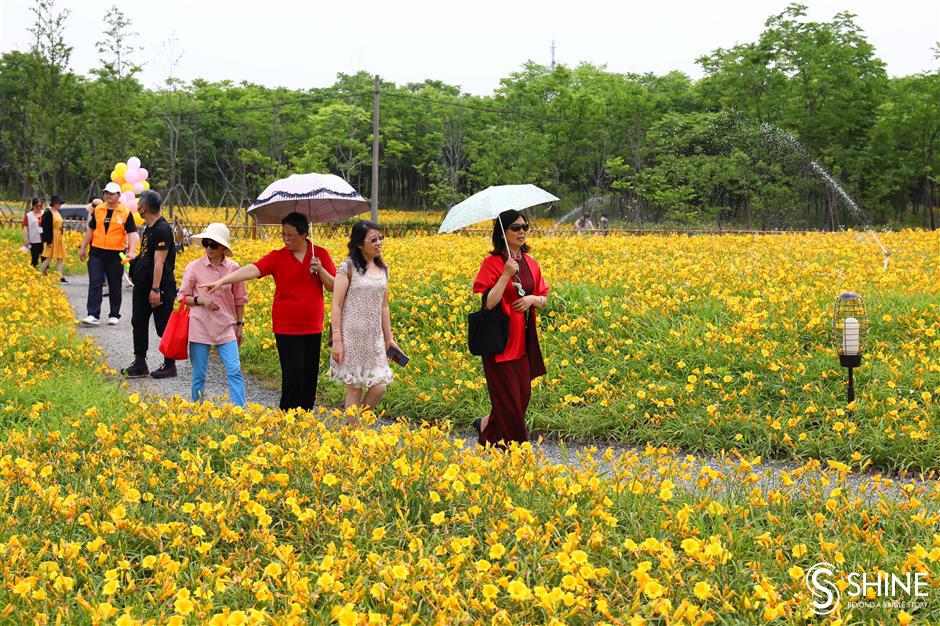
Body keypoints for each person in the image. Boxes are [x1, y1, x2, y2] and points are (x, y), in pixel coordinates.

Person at [205, 212, 335, 411]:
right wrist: (223, 280)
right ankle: (286, 418)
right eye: (283, 234)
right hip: (287, 327)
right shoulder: (278, 256)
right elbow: (252, 269)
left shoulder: (320, 254)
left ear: (304, 234)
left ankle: (306, 419)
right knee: (292, 377)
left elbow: (333, 286)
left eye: (290, 235)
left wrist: (320, 269)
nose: (285, 239)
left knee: (310, 377)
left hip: (312, 325)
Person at [472, 209, 550, 446]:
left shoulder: (531, 263)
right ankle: (518, 451)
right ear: (503, 232)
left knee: (522, 397)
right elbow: (488, 303)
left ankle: (486, 424)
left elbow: (543, 297)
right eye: (516, 228)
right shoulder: (493, 263)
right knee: (511, 403)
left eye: (525, 227)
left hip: (524, 340)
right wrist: (506, 274)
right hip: (500, 342)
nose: (522, 232)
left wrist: (532, 300)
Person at [329, 220, 401, 417]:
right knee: (355, 387)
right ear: (360, 243)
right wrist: (337, 340)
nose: (379, 243)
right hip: (351, 336)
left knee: (380, 385)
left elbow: (384, 306)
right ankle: (352, 434)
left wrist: (389, 338)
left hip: (374, 337)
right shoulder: (348, 267)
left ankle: (357, 422)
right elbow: (336, 305)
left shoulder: (383, 267)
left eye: (380, 238)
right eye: (374, 240)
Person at [178, 223, 247, 405]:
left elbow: (240, 299)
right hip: (200, 327)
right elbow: (182, 297)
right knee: (199, 375)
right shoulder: (193, 267)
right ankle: (197, 411)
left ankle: (240, 412)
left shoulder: (233, 268)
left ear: (223, 247)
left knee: (234, 370)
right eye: (206, 243)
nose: (209, 248)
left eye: (213, 244)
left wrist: (240, 325)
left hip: (226, 327)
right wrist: (201, 301)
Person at [123, 190, 177, 379]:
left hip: (159, 286)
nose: (137, 207)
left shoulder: (162, 229)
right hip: (143, 285)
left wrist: (155, 289)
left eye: (139, 204)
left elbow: (159, 262)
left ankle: (170, 365)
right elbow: (147, 256)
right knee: (138, 321)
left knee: (163, 326)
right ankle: (140, 363)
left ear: (143, 207)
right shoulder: (149, 227)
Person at [79, 182, 139, 326]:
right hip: (97, 252)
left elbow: (131, 233)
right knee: (95, 282)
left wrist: (131, 250)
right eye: (106, 193)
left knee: (115, 284)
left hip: (115, 253)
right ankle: (93, 314)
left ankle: (114, 314)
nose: (108, 196)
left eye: (111, 193)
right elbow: (91, 230)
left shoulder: (125, 212)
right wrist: (83, 247)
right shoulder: (98, 209)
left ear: (119, 195)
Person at [39, 195, 68, 282]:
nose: (59, 205)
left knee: (60, 257)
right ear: (54, 204)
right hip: (52, 236)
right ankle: (40, 273)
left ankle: (60, 276)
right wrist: (48, 241)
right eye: (58, 203)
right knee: (49, 257)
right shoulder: (48, 212)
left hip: (59, 236)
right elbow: (45, 227)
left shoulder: (57, 212)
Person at [22, 199, 44, 268]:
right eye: (37, 206)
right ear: (33, 206)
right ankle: (33, 271)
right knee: (35, 258)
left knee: (45, 257)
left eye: (40, 206)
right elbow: (25, 228)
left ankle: (45, 272)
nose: (39, 208)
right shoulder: (29, 215)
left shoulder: (45, 213)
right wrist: (26, 239)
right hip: (34, 240)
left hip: (44, 240)